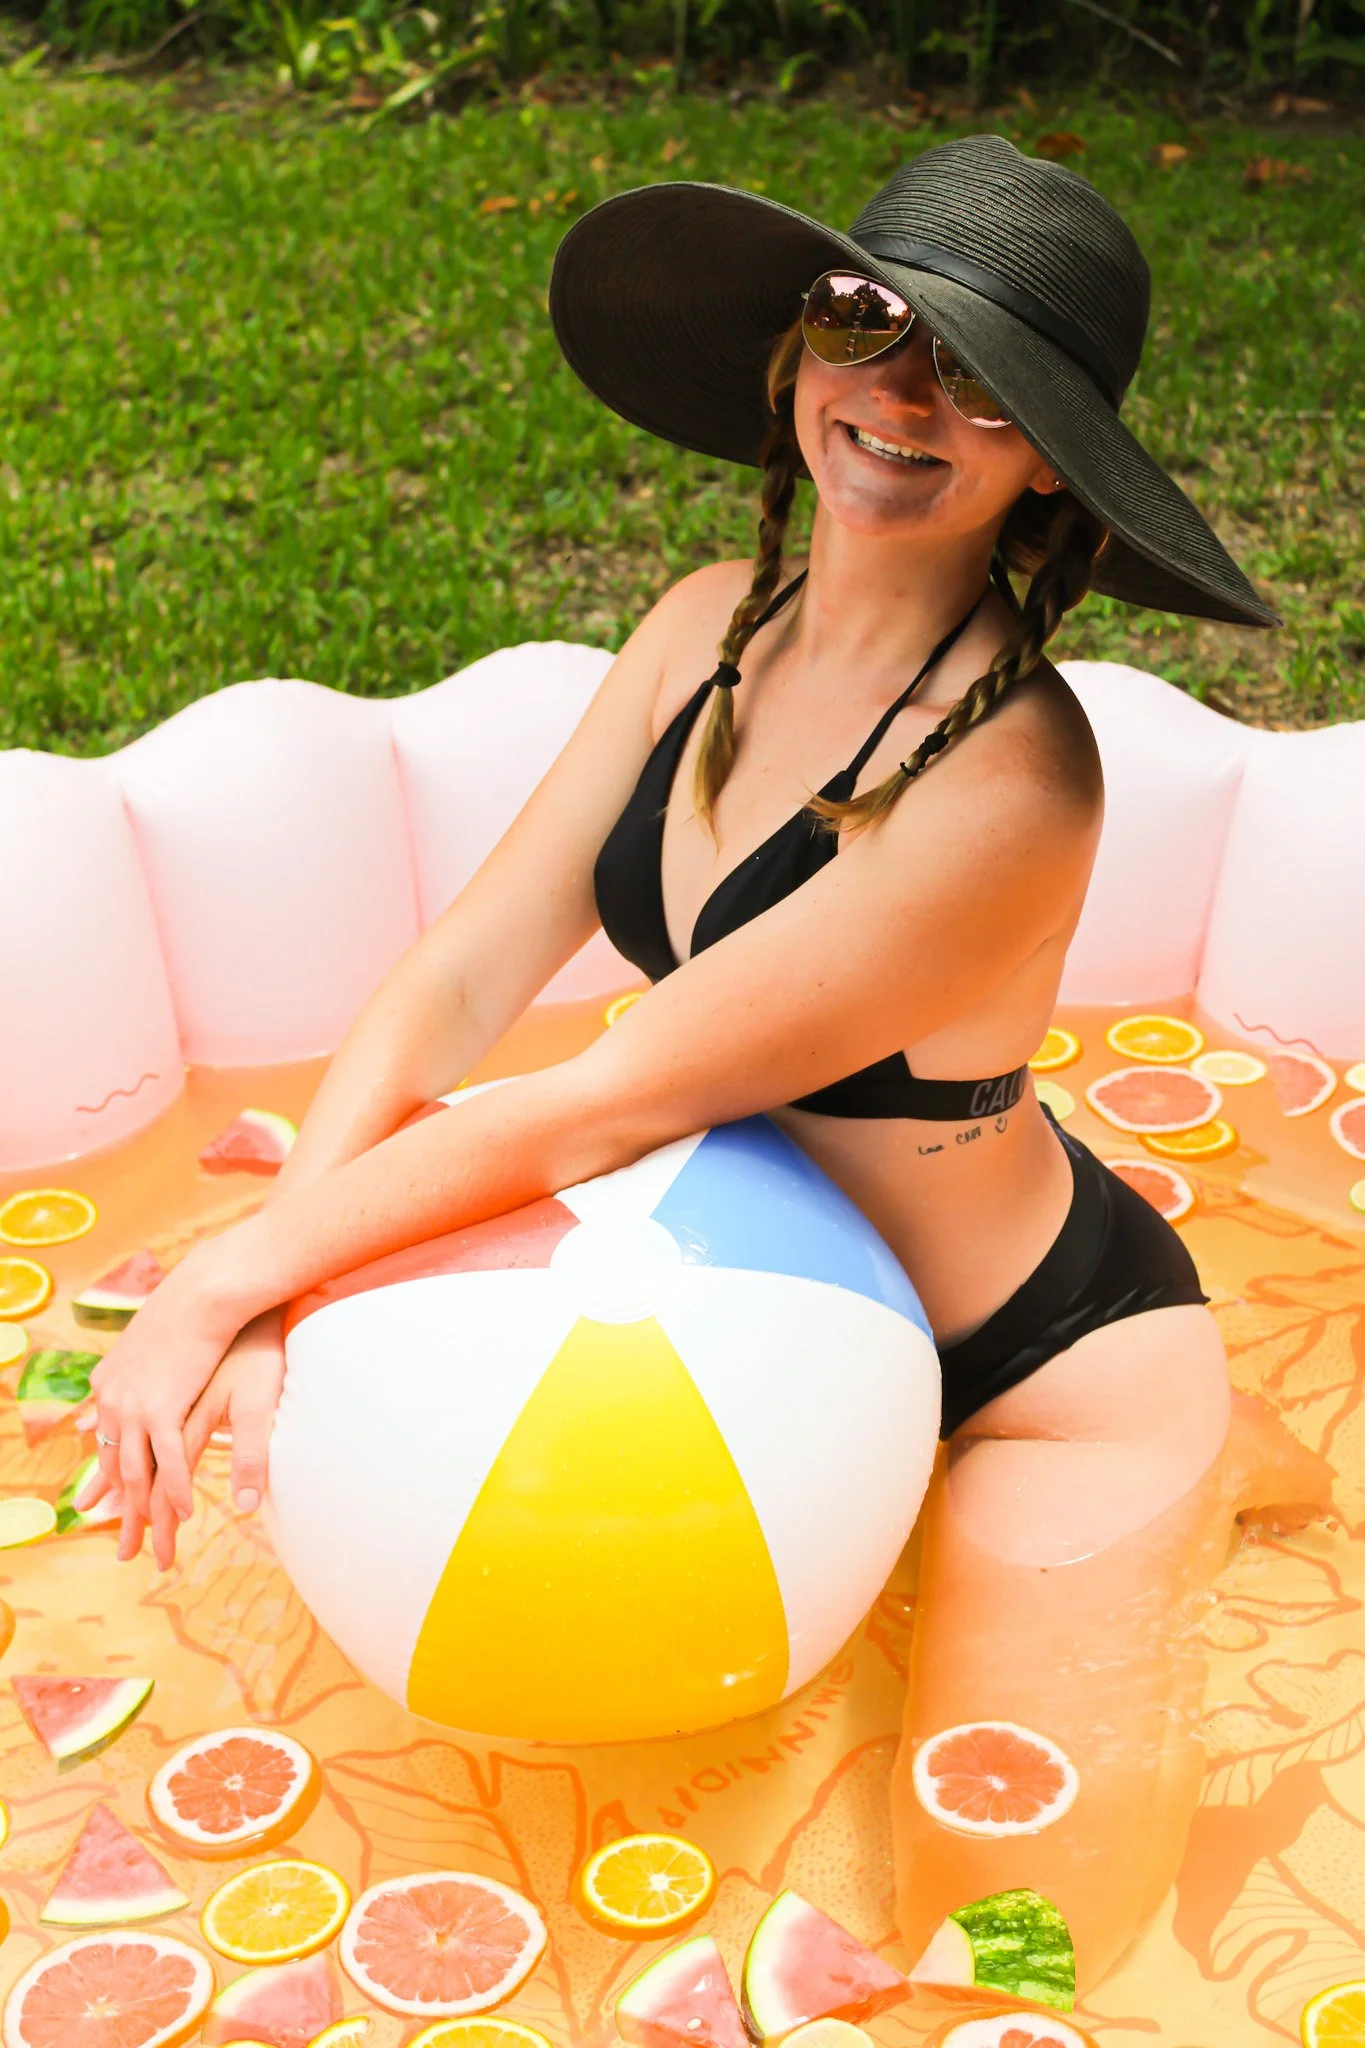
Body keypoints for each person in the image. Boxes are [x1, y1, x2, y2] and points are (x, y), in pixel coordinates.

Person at [79, 134, 1325, 1982]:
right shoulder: (698, 630)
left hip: (1032, 1374)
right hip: (756, 1339)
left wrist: (222, 1279)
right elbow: (459, 979)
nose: (903, 399)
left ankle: (1204, 1465)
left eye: (983, 382)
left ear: (1050, 461)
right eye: (868, 323)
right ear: (798, 349)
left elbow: (610, 1093)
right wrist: (263, 1295)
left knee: (1012, 1941)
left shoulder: (1015, 781)